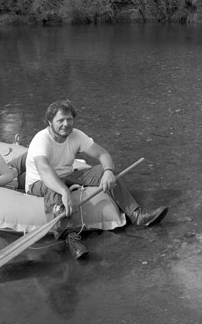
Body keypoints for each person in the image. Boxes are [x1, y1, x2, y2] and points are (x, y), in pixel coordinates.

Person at [25, 99, 168, 260]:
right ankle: (70, 237)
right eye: (60, 120)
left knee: (103, 171)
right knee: (54, 191)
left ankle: (137, 215)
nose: (66, 124)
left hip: (68, 175)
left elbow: (103, 154)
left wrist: (107, 171)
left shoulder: (76, 135)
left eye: (69, 119)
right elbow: (44, 170)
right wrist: (64, 191)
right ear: (49, 122)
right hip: (40, 182)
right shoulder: (41, 140)